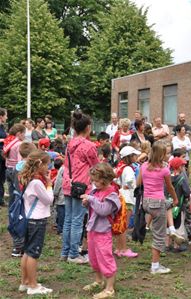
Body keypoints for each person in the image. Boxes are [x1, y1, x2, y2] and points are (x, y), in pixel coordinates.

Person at [61, 111, 99, 264]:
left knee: (68, 220)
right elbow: (96, 166)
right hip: (81, 186)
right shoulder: (89, 146)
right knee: (77, 220)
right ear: (88, 127)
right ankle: (73, 254)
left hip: (68, 183)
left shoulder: (70, 143)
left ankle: (65, 252)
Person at [137, 141, 179, 274]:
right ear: (161, 155)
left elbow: (139, 183)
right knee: (159, 235)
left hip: (147, 202)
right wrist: (176, 198)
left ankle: (171, 229)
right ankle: (155, 266)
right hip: (157, 202)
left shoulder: (144, 166)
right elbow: (170, 187)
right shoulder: (164, 170)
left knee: (166, 206)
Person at [81, 163, 121, 299]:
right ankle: (98, 280)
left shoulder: (112, 194)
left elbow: (104, 210)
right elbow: (93, 207)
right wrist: (87, 202)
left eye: (97, 180)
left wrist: (91, 199)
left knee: (105, 257)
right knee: (93, 257)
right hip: (92, 229)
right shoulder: (96, 191)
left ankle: (109, 289)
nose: (94, 183)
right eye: (93, 180)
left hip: (103, 231)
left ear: (105, 179)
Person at [19, 150, 54, 295]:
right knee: (34, 253)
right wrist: (50, 185)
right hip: (38, 220)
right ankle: (33, 286)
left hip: (29, 218)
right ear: (40, 164)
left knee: (27, 251)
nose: (49, 166)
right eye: (46, 164)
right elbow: (49, 200)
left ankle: (25, 282)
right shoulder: (37, 182)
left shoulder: (27, 178)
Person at [10, 142, 36, 257]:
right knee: (27, 221)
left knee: (17, 220)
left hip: (17, 197)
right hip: (27, 198)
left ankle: (17, 246)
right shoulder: (30, 167)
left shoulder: (16, 166)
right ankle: (23, 246)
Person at [114, 146, 140, 258]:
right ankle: (123, 249)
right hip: (128, 198)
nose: (136, 157)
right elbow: (130, 181)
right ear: (129, 157)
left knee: (121, 224)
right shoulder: (129, 169)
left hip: (121, 196)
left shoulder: (120, 167)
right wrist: (133, 186)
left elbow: (115, 179)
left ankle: (119, 248)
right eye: (134, 155)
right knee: (124, 225)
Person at [4, 124, 26, 206]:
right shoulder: (20, 144)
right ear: (19, 133)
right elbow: (20, 162)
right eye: (24, 133)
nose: (25, 135)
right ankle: (18, 215)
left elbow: (6, 158)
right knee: (18, 194)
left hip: (8, 169)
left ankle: (11, 216)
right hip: (16, 171)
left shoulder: (9, 142)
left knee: (11, 195)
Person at [53, 158, 65, 235]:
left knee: (61, 213)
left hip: (62, 195)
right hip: (71, 195)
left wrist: (55, 193)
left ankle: (60, 229)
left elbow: (58, 183)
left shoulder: (62, 169)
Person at [0, 108, 6, 207]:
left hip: (2, 155)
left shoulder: (2, 127)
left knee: (2, 177)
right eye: (5, 115)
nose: (6, 117)